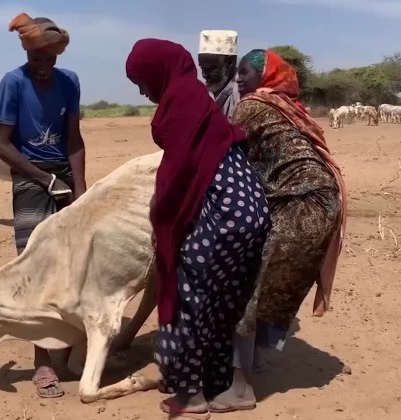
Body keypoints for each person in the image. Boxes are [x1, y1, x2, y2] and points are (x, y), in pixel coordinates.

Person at [126, 38, 272, 419]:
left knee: (186, 289)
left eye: (141, 82)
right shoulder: (194, 95)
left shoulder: (181, 100)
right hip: (249, 205)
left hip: (226, 208)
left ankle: (190, 395)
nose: (142, 92)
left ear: (158, 71)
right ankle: (215, 379)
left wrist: (161, 220)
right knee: (223, 296)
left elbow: (177, 172)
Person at [208, 49, 347, 413]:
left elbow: (217, 148)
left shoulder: (253, 106)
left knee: (247, 286)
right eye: (237, 73)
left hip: (302, 205)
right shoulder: (285, 105)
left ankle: (241, 389)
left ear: (265, 76)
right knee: (268, 284)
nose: (239, 79)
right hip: (319, 201)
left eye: (245, 73)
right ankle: (254, 361)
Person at [0, 12, 87, 399]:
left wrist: (81, 189)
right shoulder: (13, 83)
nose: (43, 66)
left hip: (64, 175)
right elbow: (0, 145)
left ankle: (73, 345)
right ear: (26, 54)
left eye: (49, 58)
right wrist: (45, 180)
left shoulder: (70, 82)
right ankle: (42, 361)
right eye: (36, 59)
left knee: (72, 265)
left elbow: (74, 139)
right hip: (30, 178)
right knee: (35, 267)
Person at [196, 30, 240, 118]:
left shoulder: (240, 95)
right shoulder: (208, 95)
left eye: (209, 69)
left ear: (230, 63)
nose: (204, 75)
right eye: (202, 68)